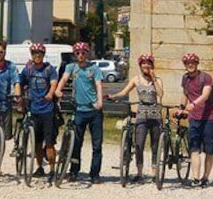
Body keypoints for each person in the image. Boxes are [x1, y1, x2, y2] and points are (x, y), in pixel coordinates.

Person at [106, 53, 163, 182]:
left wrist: (154, 79)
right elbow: (124, 92)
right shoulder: (136, 79)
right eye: (144, 63)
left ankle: (154, 173)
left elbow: (161, 94)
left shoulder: (158, 80)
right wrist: (112, 96)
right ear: (140, 65)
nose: (146, 66)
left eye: (148, 63)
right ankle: (140, 172)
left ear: (152, 65)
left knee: (155, 145)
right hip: (142, 114)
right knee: (139, 144)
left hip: (155, 115)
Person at [55, 41, 103, 184]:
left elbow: (98, 85)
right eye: (77, 53)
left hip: (93, 110)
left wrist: (100, 101)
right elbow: (63, 79)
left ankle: (94, 173)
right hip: (79, 109)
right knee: (76, 143)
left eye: (83, 53)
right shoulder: (71, 67)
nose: (80, 55)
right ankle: (74, 171)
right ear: (74, 54)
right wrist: (58, 90)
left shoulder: (94, 68)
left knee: (97, 144)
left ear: (87, 54)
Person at [19, 42, 58, 182]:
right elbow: (20, 83)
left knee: (49, 143)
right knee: (36, 142)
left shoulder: (49, 69)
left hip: (47, 110)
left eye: (40, 54)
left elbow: (54, 83)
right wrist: (19, 97)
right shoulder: (28, 70)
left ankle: (53, 170)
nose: (37, 56)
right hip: (33, 109)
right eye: (35, 54)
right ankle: (39, 167)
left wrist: (50, 93)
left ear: (43, 55)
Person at [180, 52, 213, 188]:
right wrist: (182, 107)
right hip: (194, 118)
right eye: (187, 63)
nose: (190, 65)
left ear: (196, 64)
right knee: (194, 148)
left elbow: (205, 95)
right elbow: (185, 94)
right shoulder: (185, 79)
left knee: (209, 150)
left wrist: (194, 104)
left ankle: (205, 177)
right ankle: (195, 179)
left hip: (208, 118)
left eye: (193, 63)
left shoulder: (206, 78)